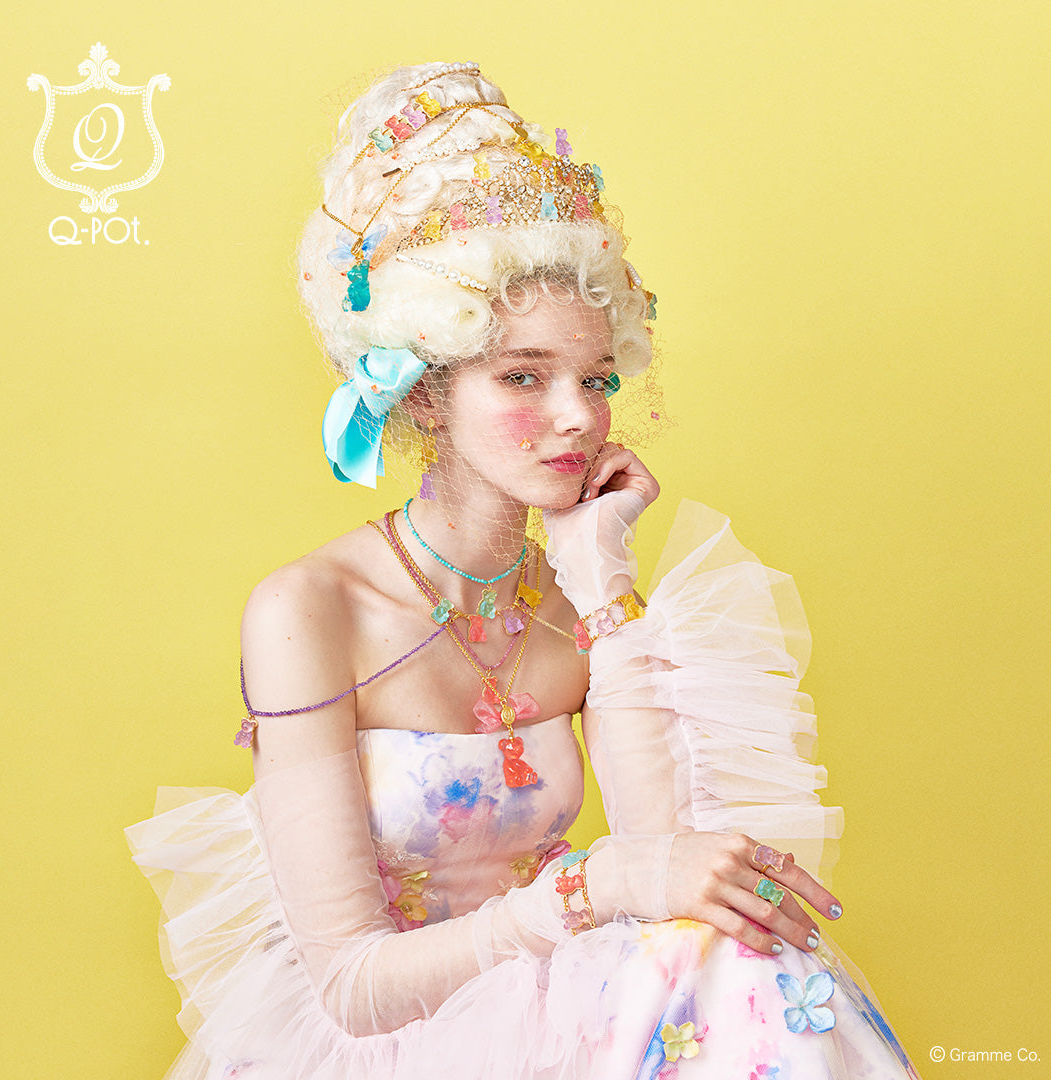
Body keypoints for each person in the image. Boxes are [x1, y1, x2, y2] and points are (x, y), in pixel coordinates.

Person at [127, 62, 921, 1079]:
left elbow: (665, 864)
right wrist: (590, 890)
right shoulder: (309, 610)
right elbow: (353, 988)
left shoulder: (572, 600)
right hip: (398, 1037)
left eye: (595, 378)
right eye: (522, 377)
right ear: (424, 395)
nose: (578, 417)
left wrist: (601, 573)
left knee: (739, 955)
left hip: (557, 1005)